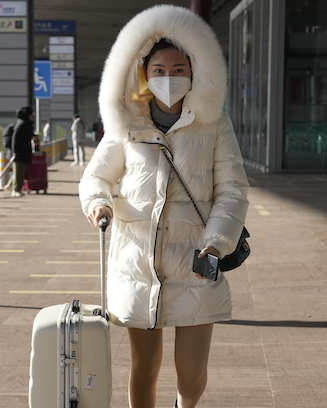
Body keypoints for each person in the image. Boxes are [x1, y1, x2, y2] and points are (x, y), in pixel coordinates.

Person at [78, 5, 249, 408]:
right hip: (138, 264)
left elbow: (232, 189)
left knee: (191, 374)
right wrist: (99, 203)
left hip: (196, 263)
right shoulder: (126, 125)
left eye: (177, 70)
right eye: (158, 70)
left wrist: (217, 242)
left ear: (193, 72)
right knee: (144, 366)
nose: (168, 79)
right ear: (143, 74)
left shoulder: (214, 125)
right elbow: (95, 177)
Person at [9, 106, 35, 197]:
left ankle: (11, 186)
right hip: (19, 153)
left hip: (24, 152)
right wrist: (14, 151)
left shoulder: (27, 124)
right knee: (18, 172)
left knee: (21, 171)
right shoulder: (22, 124)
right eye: (31, 114)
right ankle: (16, 190)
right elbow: (15, 139)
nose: (33, 115)